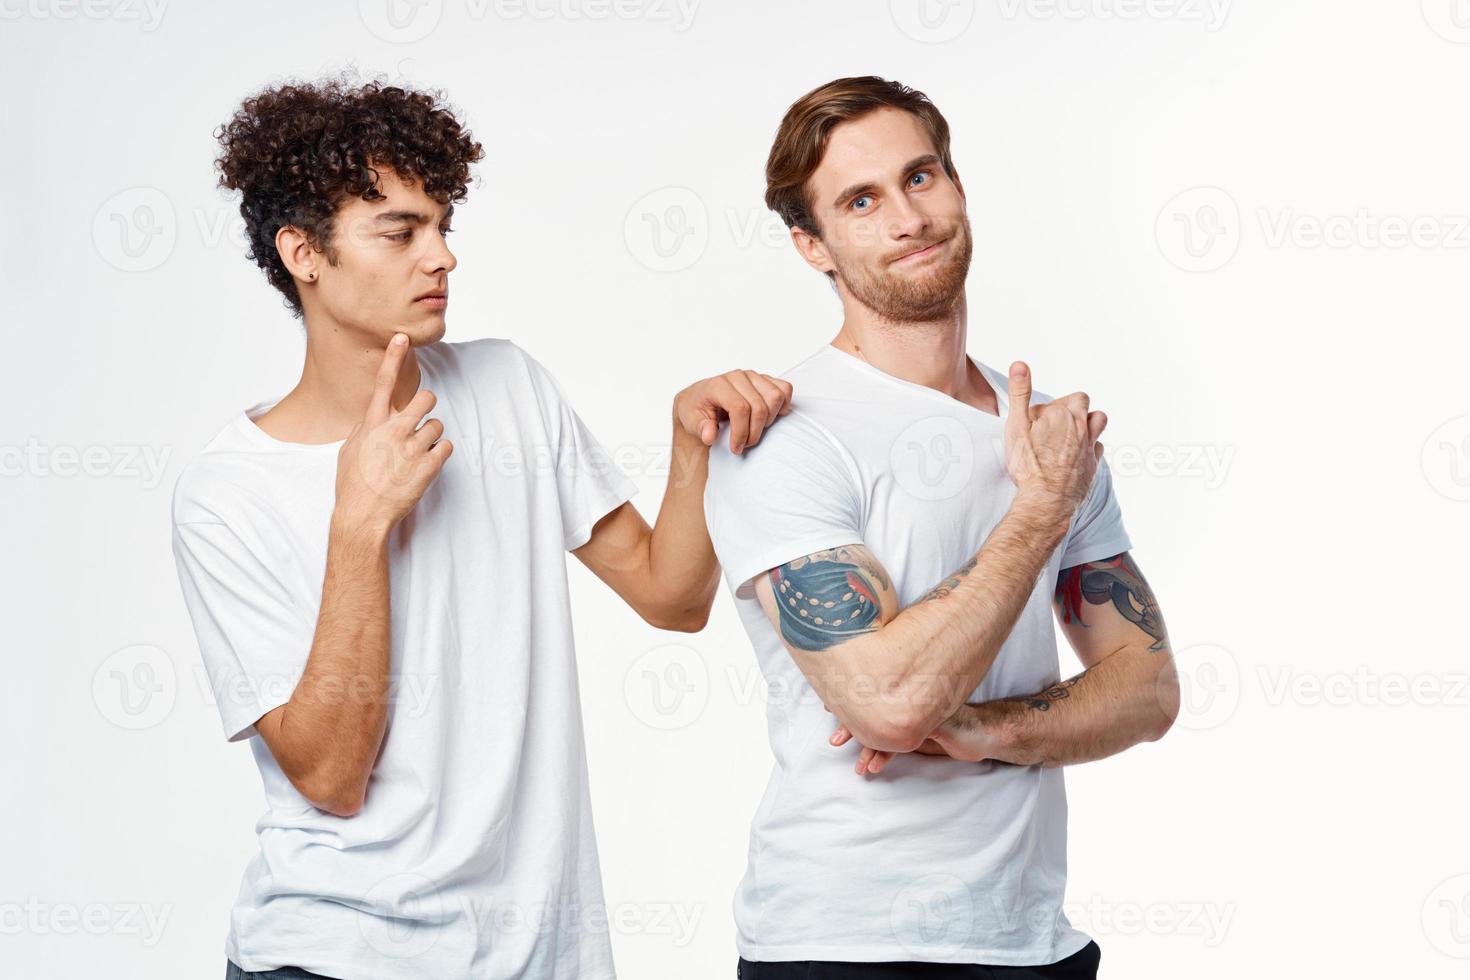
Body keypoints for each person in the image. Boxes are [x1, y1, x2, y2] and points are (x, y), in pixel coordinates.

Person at [170, 76, 795, 980]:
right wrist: (359, 524)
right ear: (303, 253)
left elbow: (672, 597)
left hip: (537, 956)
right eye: (400, 231)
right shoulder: (228, 492)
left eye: (442, 226)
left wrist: (690, 445)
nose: (442, 258)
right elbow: (331, 777)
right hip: (332, 957)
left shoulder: (509, 388)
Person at [702, 76, 1181, 978]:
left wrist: (989, 729)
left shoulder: (1045, 436)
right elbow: (888, 704)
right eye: (861, 200)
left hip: (1031, 939)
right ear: (813, 245)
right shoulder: (783, 437)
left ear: (957, 186)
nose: (907, 218)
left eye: (921, 178)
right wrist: (1039, 510)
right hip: (841, 944)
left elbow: (1149, 690)